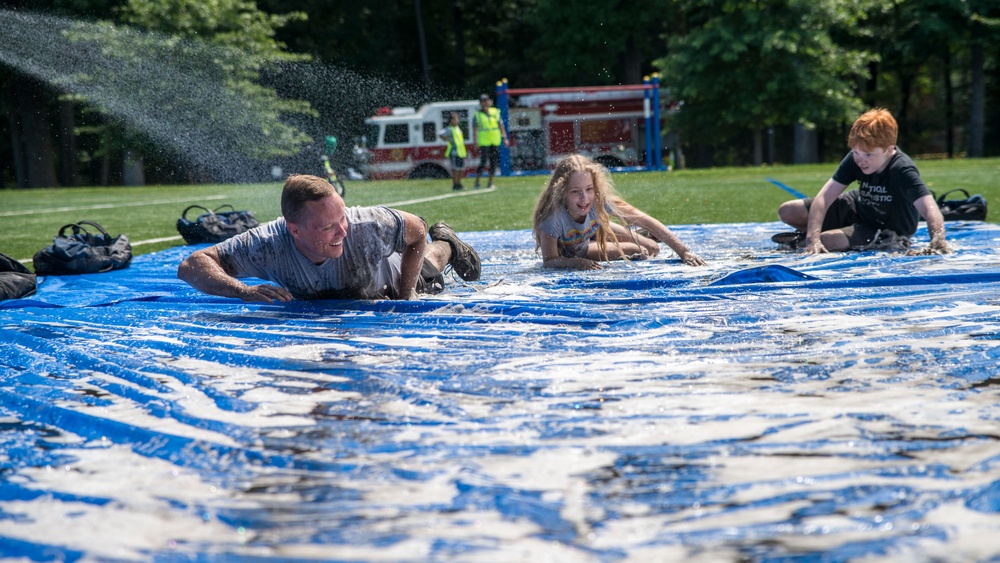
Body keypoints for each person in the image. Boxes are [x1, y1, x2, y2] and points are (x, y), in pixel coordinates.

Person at [177, 174, 481, 302]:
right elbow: (192, 264)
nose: (342, 231)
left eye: (342, 218)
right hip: (337, 297)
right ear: (294, 229)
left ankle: (447, 243)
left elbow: (416, 229)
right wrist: (242, 290)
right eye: (327, 228)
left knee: (428, 273)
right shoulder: (268, 243)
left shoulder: (366, 226)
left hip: (391, 281)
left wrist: (405, 296)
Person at [774, 108, 950, 254]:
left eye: (868, 155)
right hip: (857, 207)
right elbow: (823, 198)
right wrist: (812, 239)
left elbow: (930, 209)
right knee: (788, 210)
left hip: (884, 229)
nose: (860, 160)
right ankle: (809, 238)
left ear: (889, 150)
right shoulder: (856, 158)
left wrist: (938, 241)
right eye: (856, 152)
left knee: (827, 240)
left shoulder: (902, 170)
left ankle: (808, 240)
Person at [532, 154, 707, 270]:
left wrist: (684, 252)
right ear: (562, 192)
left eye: (589, 189)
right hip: (580, 249)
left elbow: (644, 219)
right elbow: (550, 261)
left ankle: (638, 234)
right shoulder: (553, 219)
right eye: (575, 191)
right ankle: (630, 235)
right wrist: (575, 262)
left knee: (653, 247)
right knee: (643, 252)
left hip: (595, 228)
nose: (584, 198)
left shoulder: (598, 202)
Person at [472, 93, 508, 190]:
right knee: (483, 162)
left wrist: (505, 138)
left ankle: (490, 182)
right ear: (480, 103)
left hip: (495, 140)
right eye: (482, 101)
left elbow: (501, 126)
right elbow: (474, 129)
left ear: (489, 101)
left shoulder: (495, 112)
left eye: (486, 101)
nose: (485, 103)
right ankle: (477, 182)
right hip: (484, 142)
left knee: (494, 163)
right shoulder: (477, 115)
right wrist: (475, 142)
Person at [438, 112, 467, 191]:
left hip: (461, 152)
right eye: (455, 119)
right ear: (450, 121)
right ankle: (455, 184)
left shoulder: (457, 128)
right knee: (456, 169)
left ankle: (459, 183)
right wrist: (447, 139)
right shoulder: (449, 129)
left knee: (460, 169)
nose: (457, 120)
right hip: (454, 152)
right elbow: (440, 134)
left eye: (457, 119)